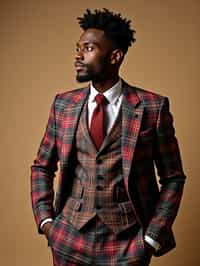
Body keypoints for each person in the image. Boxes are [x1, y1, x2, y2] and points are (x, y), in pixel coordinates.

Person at [31, 8, 186, 266]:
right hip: (69, 237)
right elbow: (41, 167)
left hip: (128, 243)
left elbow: (173, 177)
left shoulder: (152, 107)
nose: (78, 55)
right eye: (78, 47)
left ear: (115, 56)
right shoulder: (64, 105)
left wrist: (150, 238)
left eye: (89, 48)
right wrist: (47, 223)